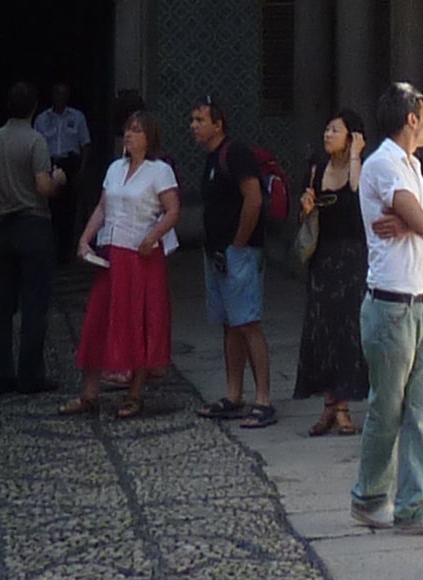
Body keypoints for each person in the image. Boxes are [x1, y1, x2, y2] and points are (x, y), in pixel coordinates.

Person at [352, 81, 423, 537]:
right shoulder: (383, 165)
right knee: (388, 409)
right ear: (411, 117)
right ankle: (370, 497)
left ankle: (415, 505)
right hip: (393, 305)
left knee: (422, 410)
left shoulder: (412, 166)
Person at [72, 108, 179, 416]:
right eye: (128, 129)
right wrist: (85, 239)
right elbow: (103, 207)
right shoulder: (114, 169)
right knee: (99, 318)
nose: (129, 135)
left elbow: (172, 210)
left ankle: (134, 392)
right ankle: (89, 393)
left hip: (140, 255)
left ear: (150, 137)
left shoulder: (159, 171)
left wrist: (152, 236)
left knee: (137, 320)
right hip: (111, 252)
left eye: (137, 130)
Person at [188, 97, 275, 429]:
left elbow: (253, 198)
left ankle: (263, 398)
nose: (193, 126)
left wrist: (238, 243)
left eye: (199, 119)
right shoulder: (212, 158)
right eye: (192, 120)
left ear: (217, 124)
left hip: (239, 253)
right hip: (217, 255)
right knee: (230, 325)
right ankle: (233, 393)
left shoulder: (234, 153)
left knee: (247, 323)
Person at [294, 108, 370, 435]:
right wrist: (306, 209)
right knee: (322, 329)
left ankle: (343, 407)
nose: (327, 134)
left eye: (335, 130)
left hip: (352, 258)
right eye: (326, 129)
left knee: (348, 330)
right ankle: (328, 404)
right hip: (323, 258)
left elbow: (358, 194)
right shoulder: (316, 170)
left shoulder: (362, 169)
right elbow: (304, 219)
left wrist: (355, 154)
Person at [0, 79, 58, 394]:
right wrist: (58, 180)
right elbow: (42, 187)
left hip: (4, 226)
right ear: (35, 107)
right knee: (34, 303)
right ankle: (30, 374)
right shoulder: (36, 141)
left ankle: (2, 371)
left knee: (2, 304)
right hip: (34, 223)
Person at [33, 77, 91, 273]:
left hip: (70, 162)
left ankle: (65, 251)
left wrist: (81, 170)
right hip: (49, 162)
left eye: (64, 93)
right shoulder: (42, 119)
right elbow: (35, 145)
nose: (60, 97)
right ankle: (50, 250)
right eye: (57, 93)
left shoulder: (77, 117)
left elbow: (85, 145)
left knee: (68, 209)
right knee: (49, 208)